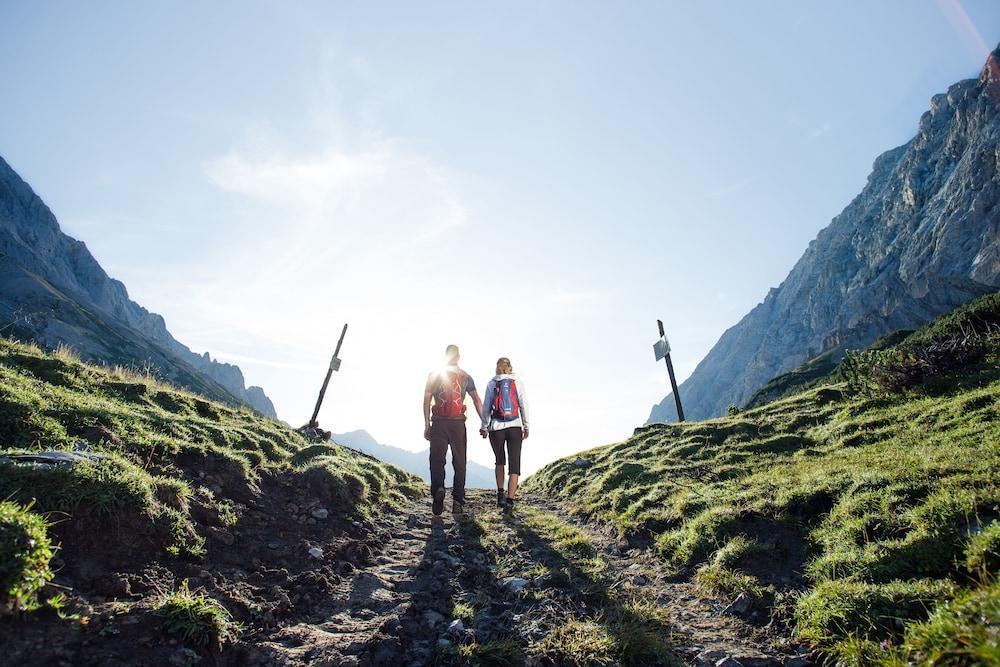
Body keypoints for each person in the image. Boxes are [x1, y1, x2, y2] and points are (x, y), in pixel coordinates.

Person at [423, 344, 483, 516]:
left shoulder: (434, 375)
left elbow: (426, 399)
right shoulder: (466, 376)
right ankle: (457, 501)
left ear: (445, 356)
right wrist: (484, 423)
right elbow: (477, 400)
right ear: (458, 357)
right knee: (460, 462)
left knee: (436, 460)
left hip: (439, 423)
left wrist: (427, 424)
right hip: (458, 424)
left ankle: (438, 490)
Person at [480, 357, 529, 511]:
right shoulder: (517, 382)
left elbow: (486, 407)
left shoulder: (492, 383)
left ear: (497, 368)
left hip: (496, 427)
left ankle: (500, 494)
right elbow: (523, 405)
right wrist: (526, 426)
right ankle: (510, 500)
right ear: (510, 367)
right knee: (515, 464)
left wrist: (484, 426)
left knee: (499, 461)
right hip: (515, 426)